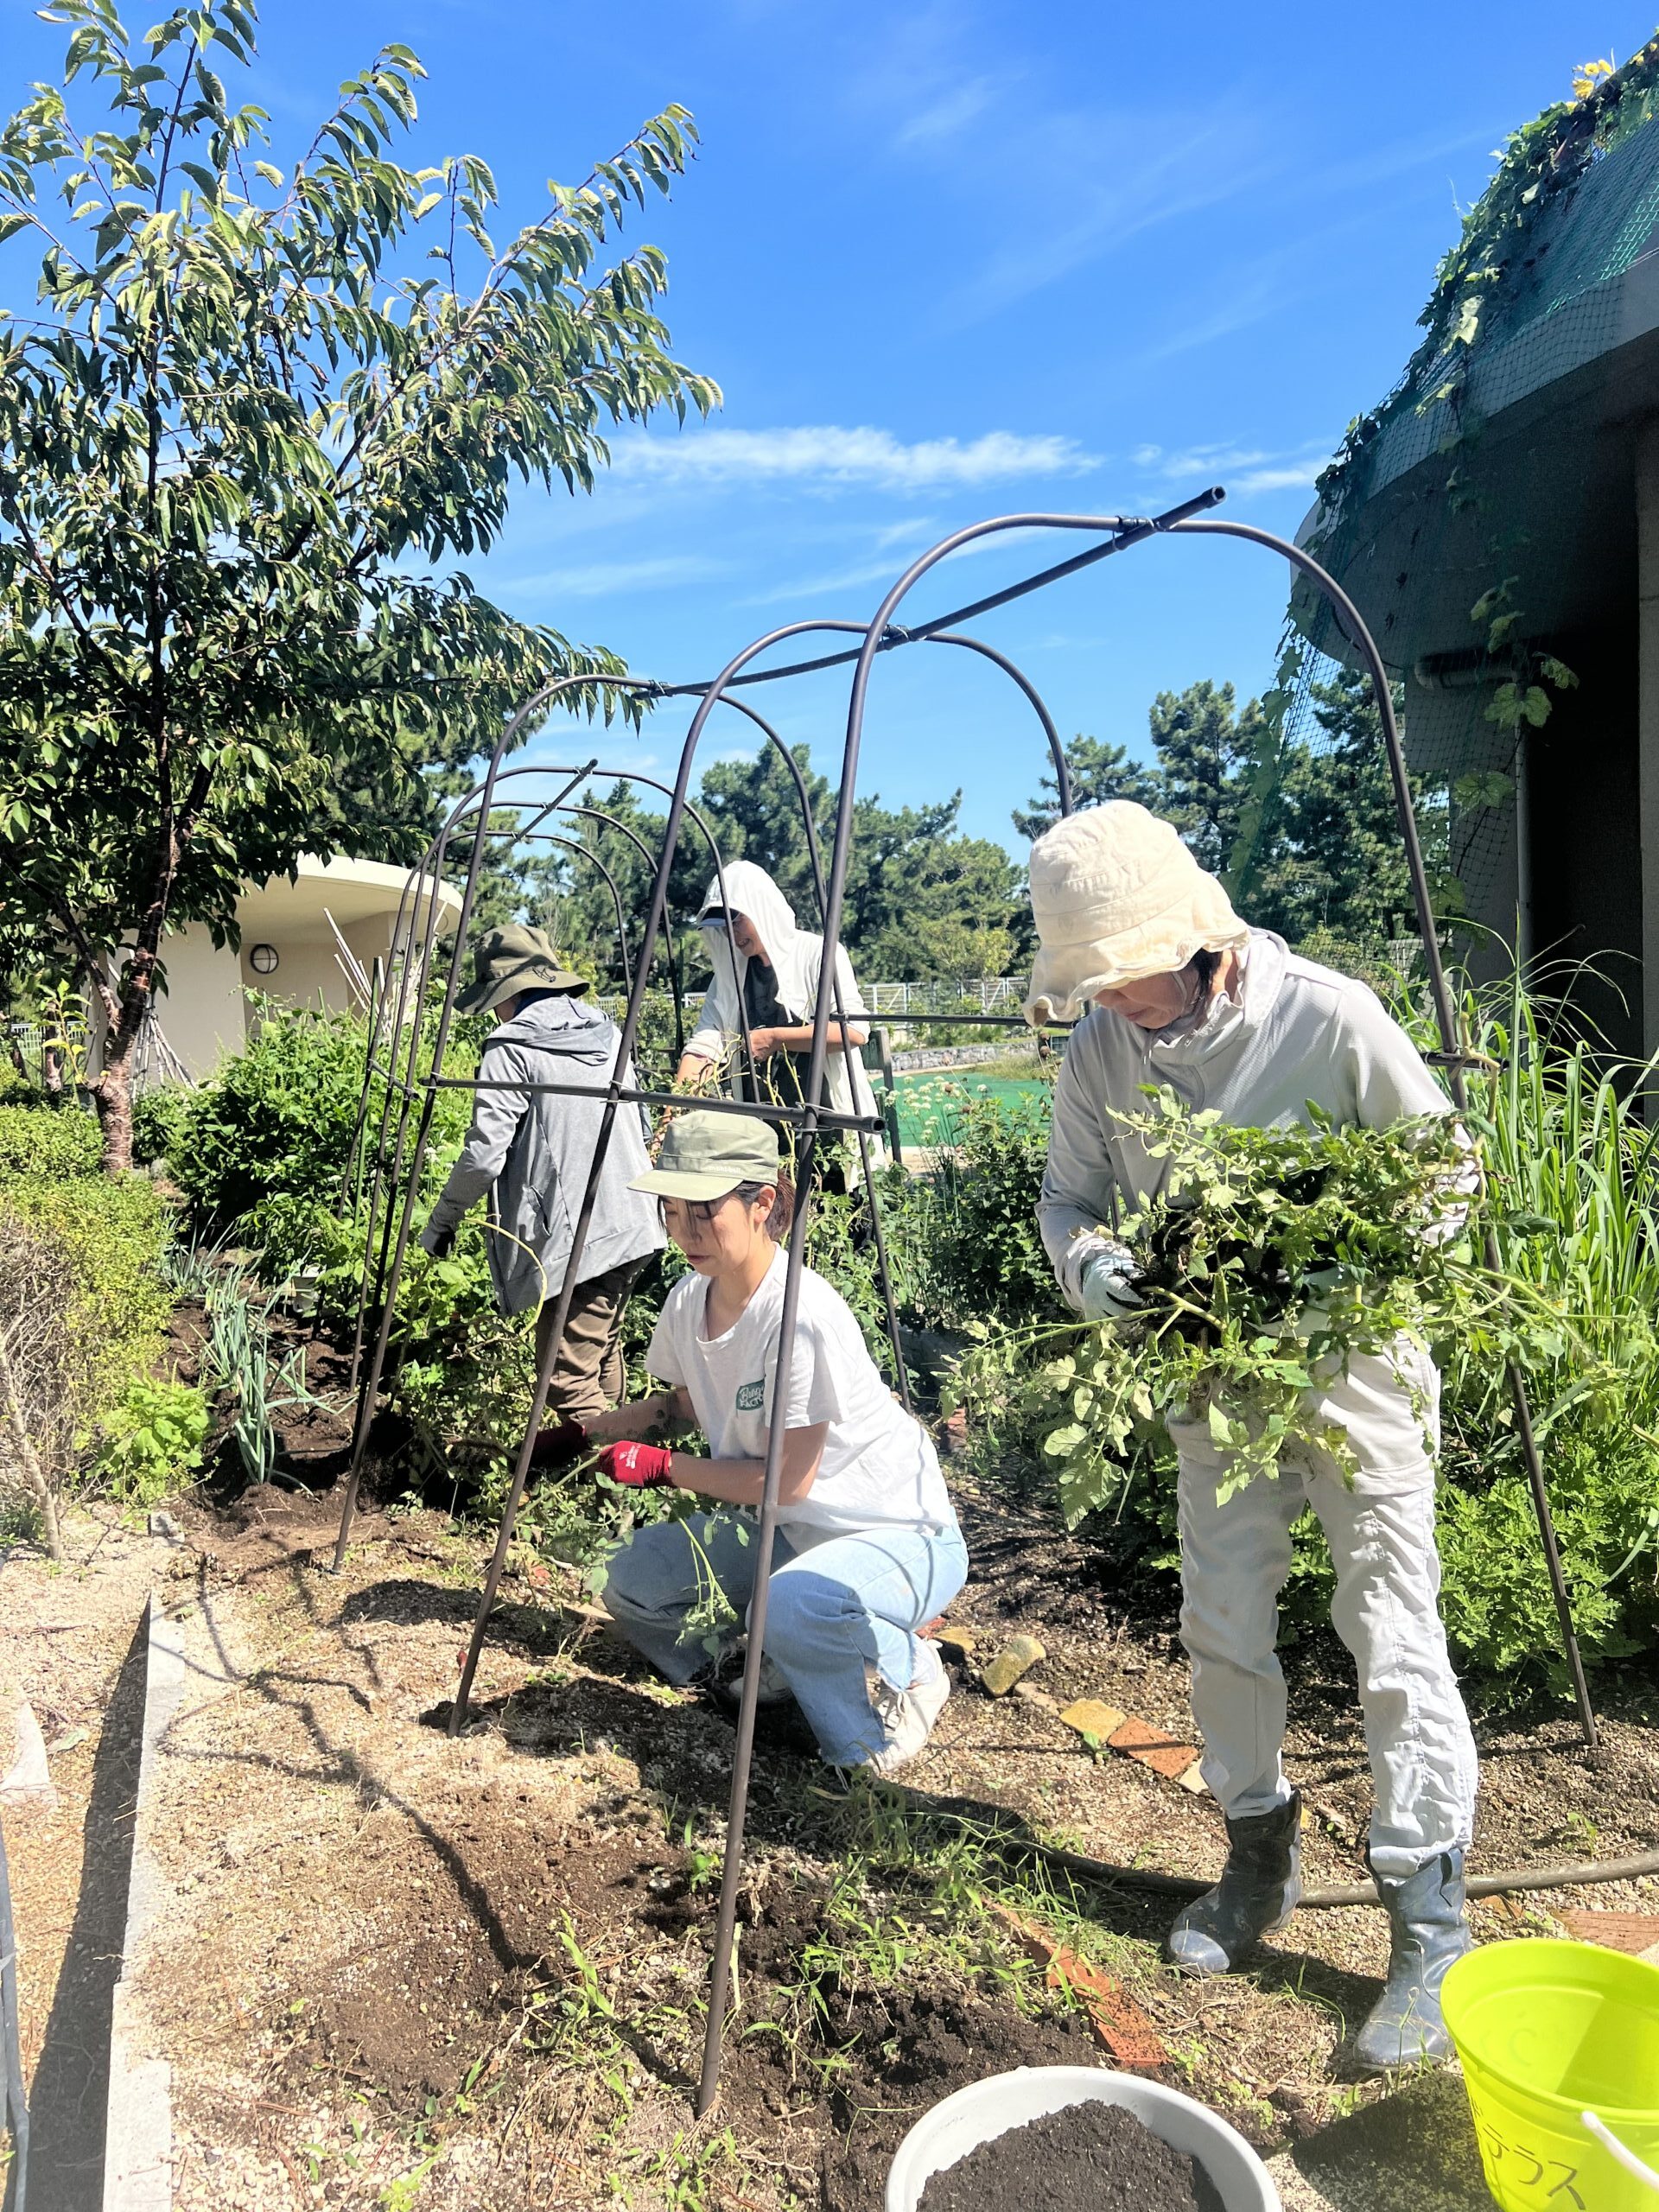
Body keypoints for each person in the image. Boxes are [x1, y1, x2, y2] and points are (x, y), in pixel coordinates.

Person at [1026, 801, 1478, 2073]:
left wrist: (1339, 1261)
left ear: (1197, 939)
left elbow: (1446, 1171)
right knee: (1223, 1619)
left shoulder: (1327, 1018)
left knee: (1389, 1619)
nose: (1113, 1003)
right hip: (1214, 1376)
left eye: (1126, 975)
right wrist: (1098, 1269)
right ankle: (1257, 1858)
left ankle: (1429, 1925)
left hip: (1351, 1370)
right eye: (1093, 984)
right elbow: (1068, 1200)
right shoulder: (1102, 1051)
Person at [549, 1108, 965, 1774]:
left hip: (896, 1537)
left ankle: (887, 1707)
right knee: (631, 1580)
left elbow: (786, 1482)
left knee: (793, 1604)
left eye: (703, 1213)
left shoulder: (799, 1317)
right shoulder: (690, 1301)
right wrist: (584, 1434)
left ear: (762, 1204)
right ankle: (757, 1666)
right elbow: (686, 1406)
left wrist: (658, 1468)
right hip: (792, 1536)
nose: (684, 1233)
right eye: (671, 1212)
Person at [418, 925, 664, 1421]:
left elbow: (484, 1154)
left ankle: (613, 1470)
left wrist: (443, 1221)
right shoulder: (607, 1032)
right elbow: (640, 1124)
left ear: (505, 994)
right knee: (600, 1354)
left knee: (566, 1382)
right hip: (636, 1219)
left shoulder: (511, 1047)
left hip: (580, 1238)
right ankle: (626, 1457)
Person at [674, 861, 882, 1176]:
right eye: (723, 926)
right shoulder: (730, 976)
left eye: (736, 920)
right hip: (761, 1135)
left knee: (833, 1199)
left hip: (827, 1125)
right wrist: (672, 1114)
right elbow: (705, 1046)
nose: (731, 933)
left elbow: (853, 1031)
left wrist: (774, 1038)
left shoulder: (818, 953)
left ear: (761, 909)